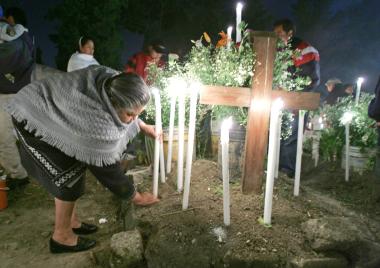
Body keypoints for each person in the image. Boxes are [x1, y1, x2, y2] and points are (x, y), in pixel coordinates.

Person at [6, 65, 160, 253]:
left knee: (75, 167)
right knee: (67, 175)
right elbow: (107, 170)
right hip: (33, 114)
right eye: (130, 115)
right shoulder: (94, 121)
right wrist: (135, 197)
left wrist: (142, 126)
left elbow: (128, 110)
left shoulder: (116, 82)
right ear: (112, 103)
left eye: (138, 115)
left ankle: (71, 221)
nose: (132, 120)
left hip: (56, 107)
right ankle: (61, 237)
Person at [273, 18, 321, 178]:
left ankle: (286, 172)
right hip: (278, 103)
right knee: (276, 135)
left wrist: (292, 94)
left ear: (290, 33)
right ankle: (274, 169)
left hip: (296, 103)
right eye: (275, 33)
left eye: (279, 33)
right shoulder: (276, 50)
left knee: (290, 138)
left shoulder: (305, 50)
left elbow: (310, 80)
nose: (276, 36)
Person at [0, 6, 34, 189]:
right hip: (20, 92)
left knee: (4, 137)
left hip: (9, 94)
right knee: (18, 135)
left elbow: (6, 61)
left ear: (11, 19)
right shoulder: (25, 37)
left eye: (5, 19)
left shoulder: (16, 39)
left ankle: (18, 176)